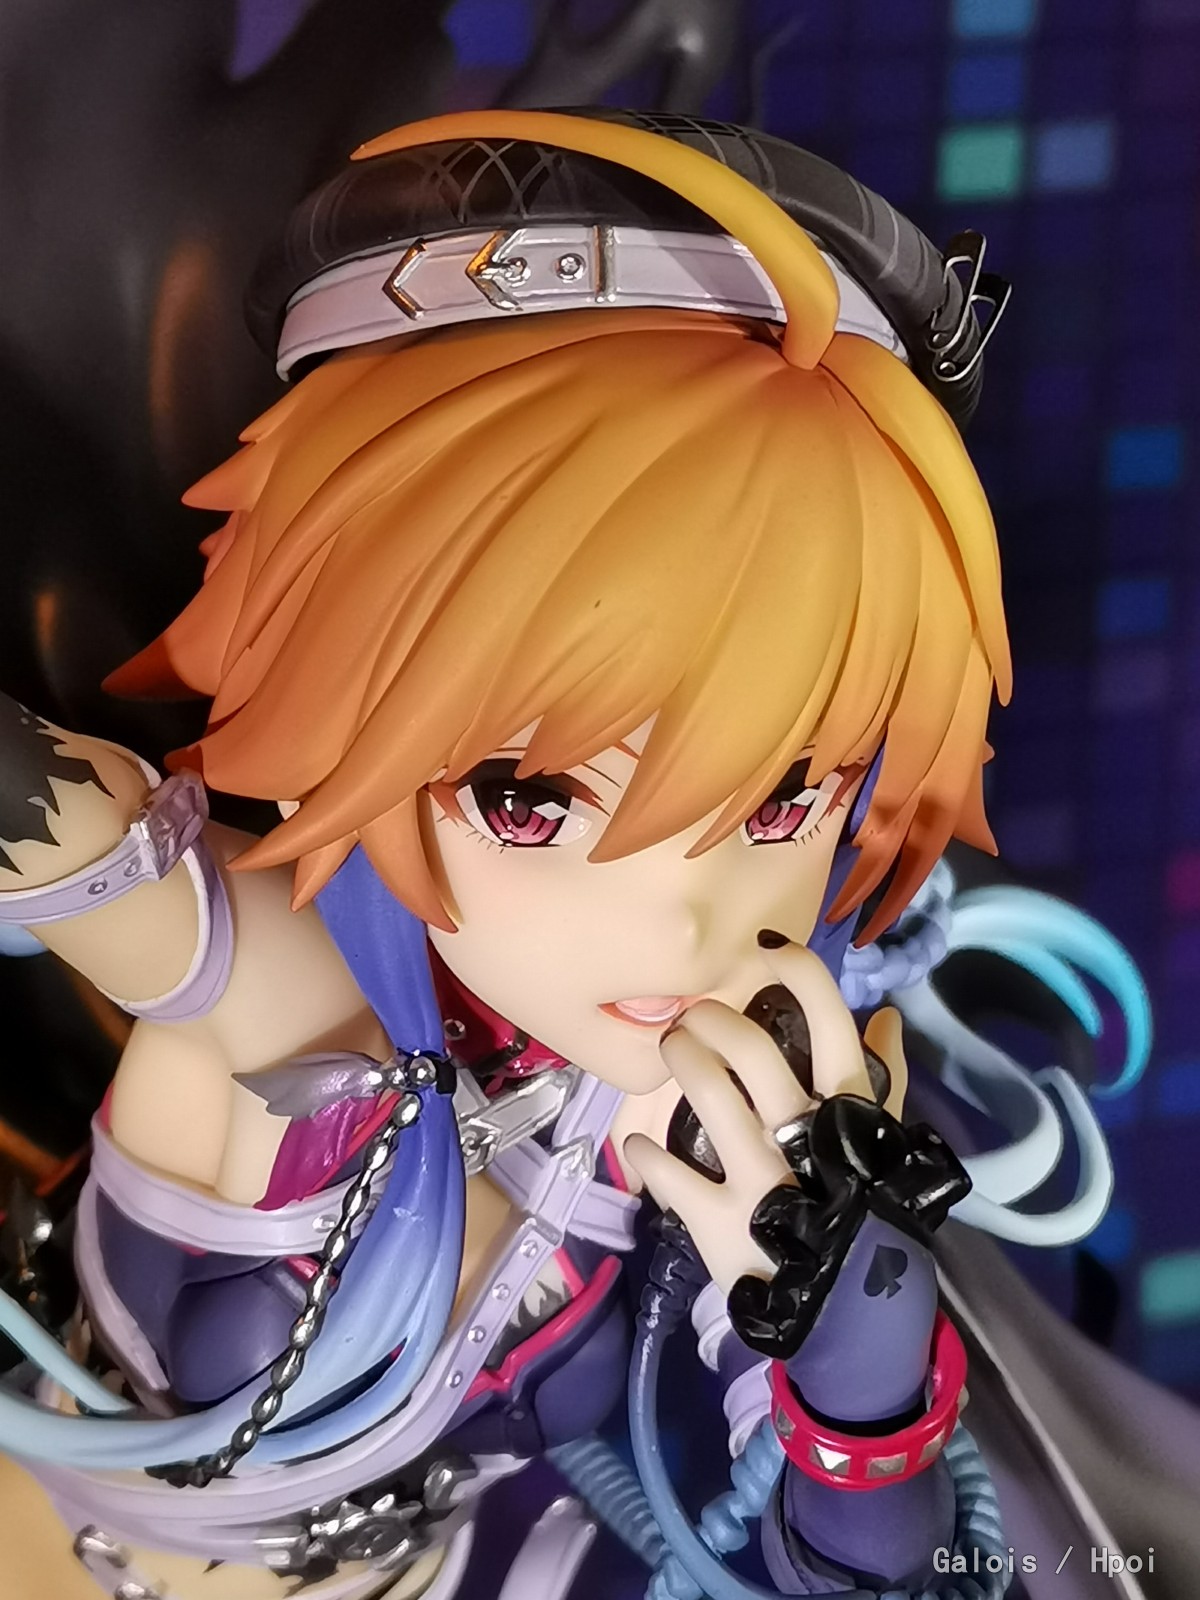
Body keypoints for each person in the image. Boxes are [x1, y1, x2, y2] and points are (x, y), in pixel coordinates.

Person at [0, 110, 1137, 1600]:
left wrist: (861, 1403)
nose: (685, 919)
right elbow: (66, 832)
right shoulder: (279, 985)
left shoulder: (753, 1088)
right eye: (530, 799)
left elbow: (868, 1578)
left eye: (785, 798)